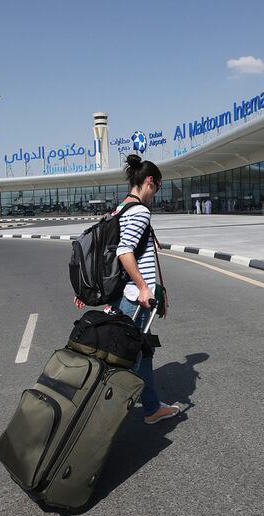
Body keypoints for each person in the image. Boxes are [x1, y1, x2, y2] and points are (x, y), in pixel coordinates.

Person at [74, 154, 181, 425]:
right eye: (156, 188)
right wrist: (145, 287)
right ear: (149, 181)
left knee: (142, 350)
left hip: (127, 293)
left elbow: (107, 252)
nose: (155, 195)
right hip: (135, 297)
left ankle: (152, 407)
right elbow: (123, 252)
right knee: (124, 359)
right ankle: (96, 421)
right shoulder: (139, 211)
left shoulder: (120, 208)